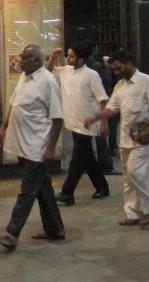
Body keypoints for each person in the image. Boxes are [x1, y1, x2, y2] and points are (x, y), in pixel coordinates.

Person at [0, 44, 65, 251]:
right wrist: (3, 128)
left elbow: (58, 118)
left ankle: (12, 233)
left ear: (36, 60)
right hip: (21, 143)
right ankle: (55, 229)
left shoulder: (48, 81)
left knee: (28, 190)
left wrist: (51, 148)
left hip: (37, 144)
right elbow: (14, 105)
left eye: (24, 57)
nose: (20, 60)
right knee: (42, 188)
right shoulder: (25, 77)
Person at [83, 49, 149, 226]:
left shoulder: (147, 81)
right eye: (114, 69)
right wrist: (95, 118)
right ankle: (133, 214)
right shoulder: (120, 85)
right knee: (129, 177)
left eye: (119, 68)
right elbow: (111, 109)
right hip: (126, 137)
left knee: (136, 171)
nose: (116, 72)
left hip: (145, 138)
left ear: (130, 63)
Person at [45, 42, 110, 206]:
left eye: (72, 56)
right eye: (68, 55)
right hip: (73, 122)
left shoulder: (91, 75)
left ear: (81, 58)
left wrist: (104, 123)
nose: (68, 58)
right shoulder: (65, 71)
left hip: (87, 124)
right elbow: (47, 71)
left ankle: (68, 192)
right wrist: (53, 58)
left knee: (77, 160)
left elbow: (103, 100)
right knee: (87, 158)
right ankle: (102, 186)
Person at [84, 43, 121, 175]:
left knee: (84, 140)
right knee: (101, 138)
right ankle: (106, 165)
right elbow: (106, 83)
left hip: (85, 108)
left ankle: (86, 166)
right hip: (100, 105)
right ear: (93, 50)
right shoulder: (96, 66)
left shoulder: (77, 68)